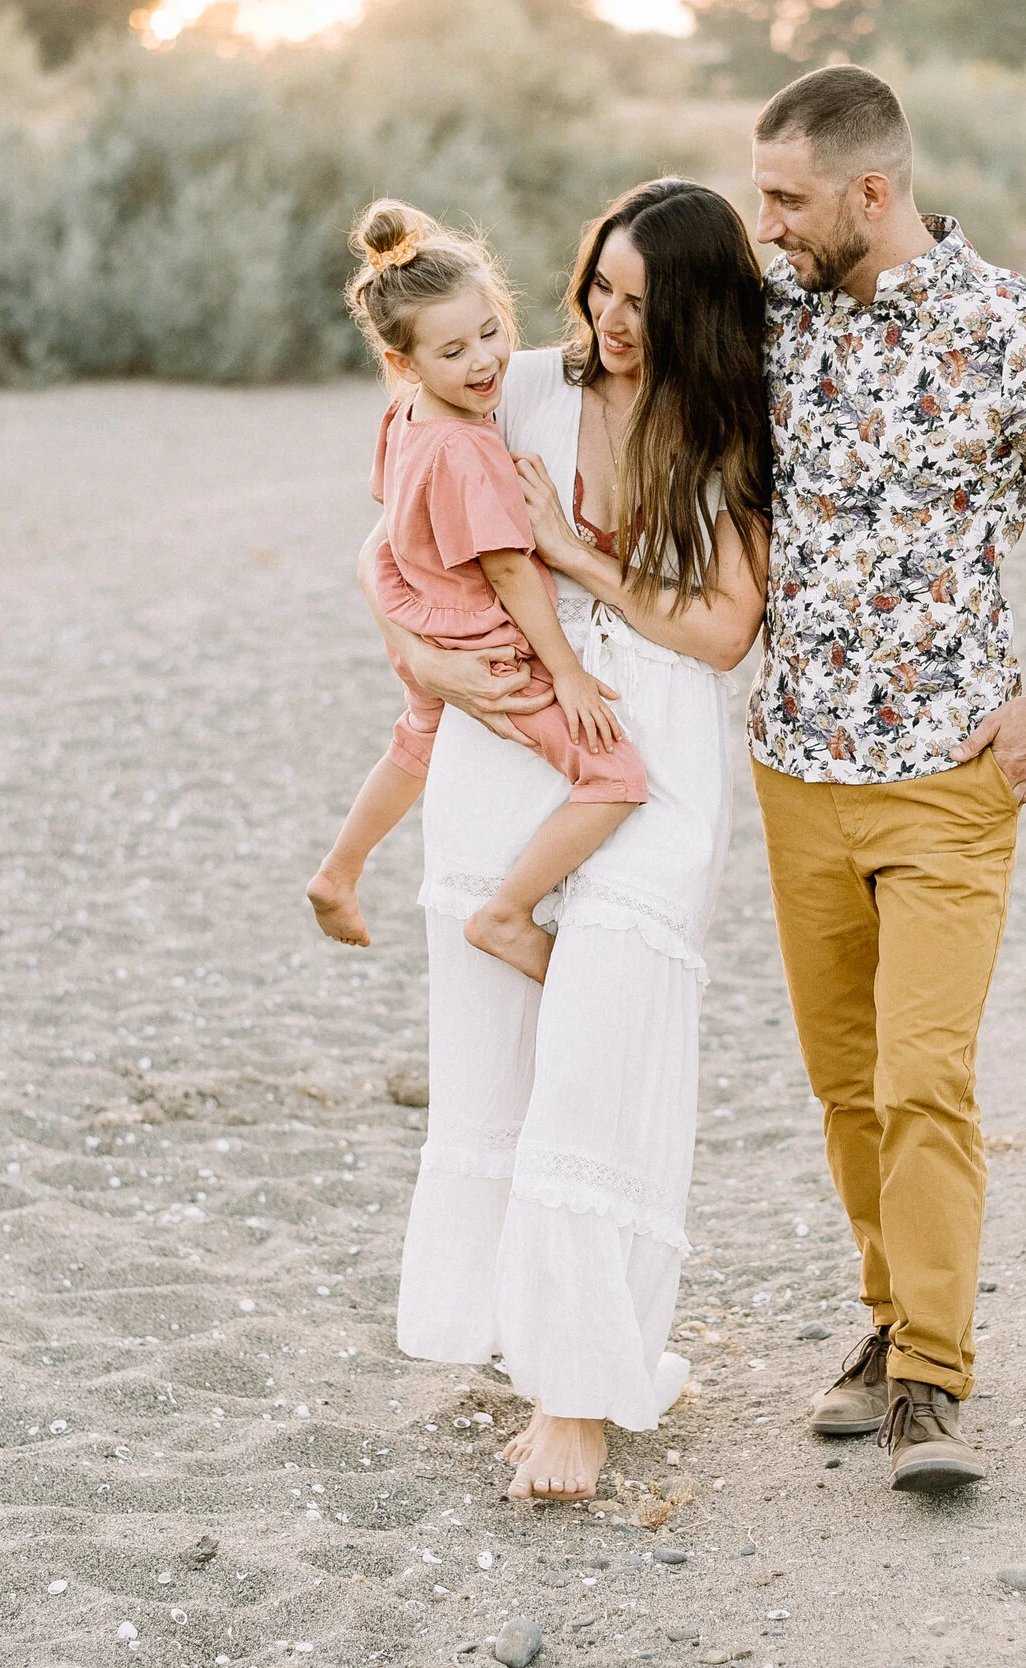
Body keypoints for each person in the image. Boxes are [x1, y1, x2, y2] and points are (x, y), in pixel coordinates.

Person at [747, 66, 1026, 1492]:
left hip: (946, 780)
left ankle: (932, 1375)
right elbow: (615, 356)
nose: (767, 223)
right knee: (845, 1086)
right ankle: (885, 1323)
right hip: (794, 766)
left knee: (923, 1074)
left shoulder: (1008, 329)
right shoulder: (773, 317)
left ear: (871, 191)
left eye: (787, 198)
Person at [370, 179, 773, 1501]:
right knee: (499, 1059)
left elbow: (723, 631)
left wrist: (573, 552)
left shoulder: (725, 425)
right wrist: (422, 656)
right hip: (510, 737)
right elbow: (393, 541)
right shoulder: (519, 385)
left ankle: (581, 1399)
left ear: (696, 310)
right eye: (598, 287)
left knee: (603, 1044)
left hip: (652, 751)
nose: (608, 321)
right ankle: (535, 1340)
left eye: (641, 303)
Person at [307, 201, 646, 984]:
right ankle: (506, 914)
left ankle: (339, 870)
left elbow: (391, 508)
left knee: (416, 737)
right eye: (454, 351)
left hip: (419, 608)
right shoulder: (470, 448)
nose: (486, 361)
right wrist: (565, 672)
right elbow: (508, 570)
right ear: (405, 363)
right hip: (482, 644)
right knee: (617, 779)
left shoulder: (407, 416)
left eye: (492, 332)